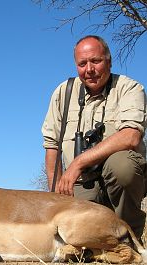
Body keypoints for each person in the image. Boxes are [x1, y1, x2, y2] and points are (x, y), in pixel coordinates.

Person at [41, 35, 147, 240]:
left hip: (116, 178)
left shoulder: (129, 88)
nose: (89, 69)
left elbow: (131, 137)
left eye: (96, 61)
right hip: (82, 183)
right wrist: (55, 194)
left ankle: (129, 237)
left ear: (109, 61)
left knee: (122, 166)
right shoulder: (64, 92)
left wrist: (78, 163)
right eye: (82, 64)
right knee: (74, 233)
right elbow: (51, 145)